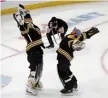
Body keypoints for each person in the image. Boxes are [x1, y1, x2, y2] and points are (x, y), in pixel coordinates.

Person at [56, 27, 99, 95]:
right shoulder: (72, 36)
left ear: (75, 34)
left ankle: (69, 88)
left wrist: (78, 44)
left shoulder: (71, 39)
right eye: (73, 31)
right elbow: (83, 35)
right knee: (67, 70)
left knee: (63, 72)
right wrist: (89, 33)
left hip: (64, 57)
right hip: (64, 57)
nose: (72, 31)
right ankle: (74, 83)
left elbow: (73, 43)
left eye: (74, 31)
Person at [13, 4, 45, 95]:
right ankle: (29, 86)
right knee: (34, 68)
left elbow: (27, 21)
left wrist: (24, 13)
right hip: (32, 50)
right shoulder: (26, 27)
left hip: (38, 50)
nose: (29, 19)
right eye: (27, 18)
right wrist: (19, 21)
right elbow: (22, 29)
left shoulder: (33, 26)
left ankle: (35, 83)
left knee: (40, 68)